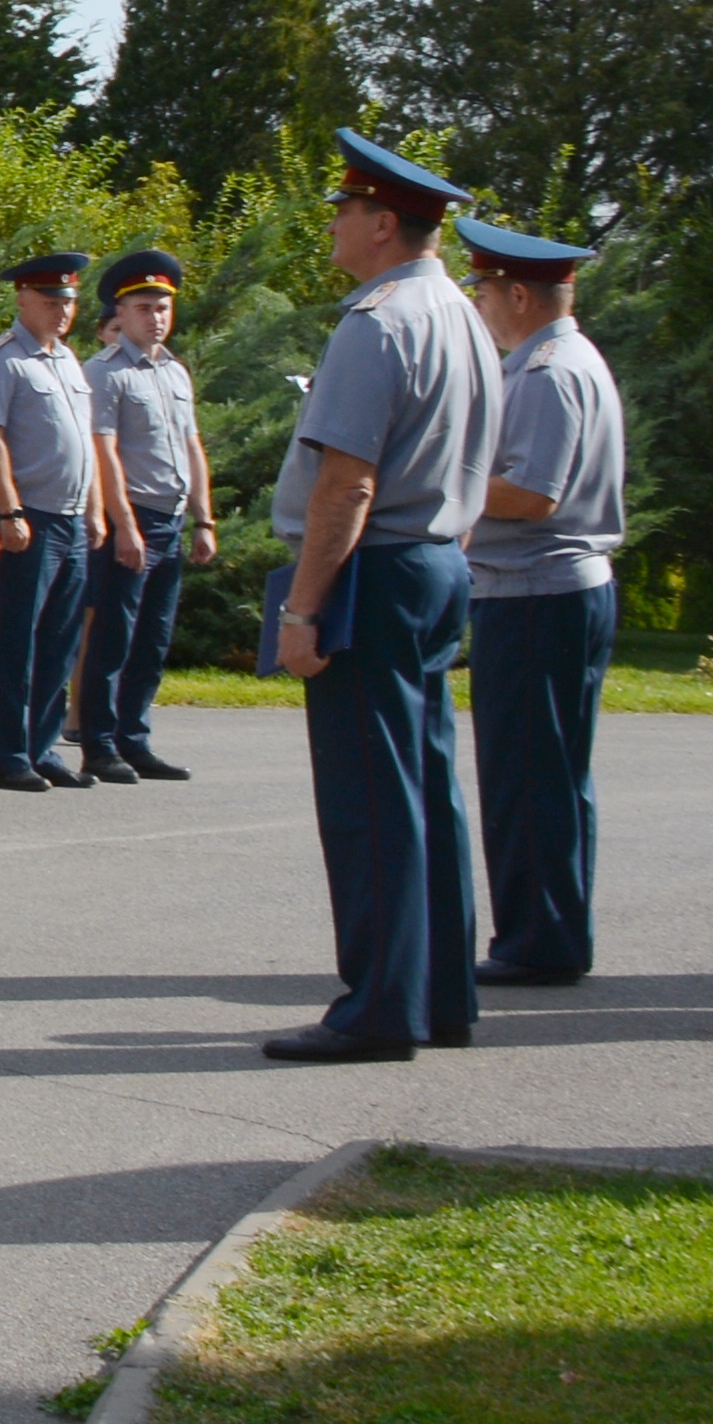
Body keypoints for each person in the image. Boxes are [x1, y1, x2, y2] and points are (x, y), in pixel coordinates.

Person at [259, 138, 498, 1065]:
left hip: (379, 569)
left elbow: (345, 485)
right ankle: (439, 994)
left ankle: (378, 1008)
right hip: (437, 560)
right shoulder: (465, 316)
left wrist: (303, 609)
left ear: (383, 224)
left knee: (370, 798)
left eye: (345, 210)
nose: (333, 224)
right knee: (426, 789)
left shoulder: (379, 321)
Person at [458, 218, 629, 985]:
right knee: (548, 775)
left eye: (485, 291)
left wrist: (446, 481)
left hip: (537, 593)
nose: (481, 305)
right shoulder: (563, 361)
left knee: (529, 780)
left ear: (518, 294)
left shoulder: (548, 372)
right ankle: (549, 931)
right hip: (551, 591)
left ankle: (539, 941)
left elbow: (532, 493)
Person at [0, 252, 124, 794]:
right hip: (30, 516)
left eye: (69, 301)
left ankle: (42, 747)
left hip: (72, 520)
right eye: (51, 301)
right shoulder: (2, 360)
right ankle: (10, 755)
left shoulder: (66, 360)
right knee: (17, 640)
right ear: (22, 300)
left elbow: (82, 444)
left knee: (59, 641)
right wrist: (7, 509)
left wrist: (93, 509)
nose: (63, 311)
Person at [78, 253, 202, 786]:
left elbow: (191, 445)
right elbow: (102, 452)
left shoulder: (174, 371)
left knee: (152, 638)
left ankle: (136, 738)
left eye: (162, 307)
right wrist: (123, 523)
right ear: (120, 315)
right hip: (134, 518)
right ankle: (99, 744)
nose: (155, 317)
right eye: (143, 308)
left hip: (171, 519)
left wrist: (206, 518)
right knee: (114, 636)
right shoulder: (107, 373)